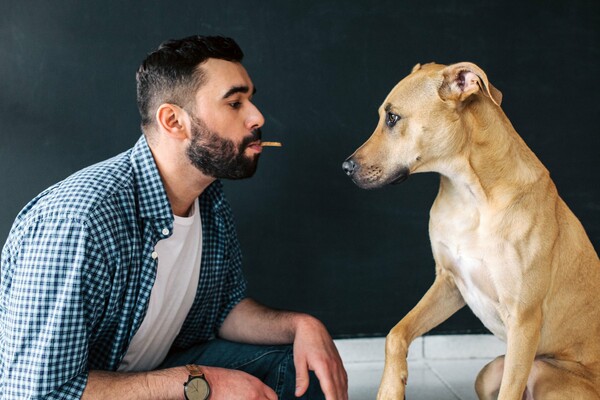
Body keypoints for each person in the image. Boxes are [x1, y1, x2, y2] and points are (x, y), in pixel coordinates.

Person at [0, 35, 348, 400]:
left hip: (154, 374)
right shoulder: (80, 221)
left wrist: (300, 325)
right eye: (234, 103)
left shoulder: (207, 195)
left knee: (300, 373)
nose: (257, 116)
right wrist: (200, 383)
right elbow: (36, 392)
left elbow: (222, 310)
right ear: (173, 120)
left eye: (250, 99)